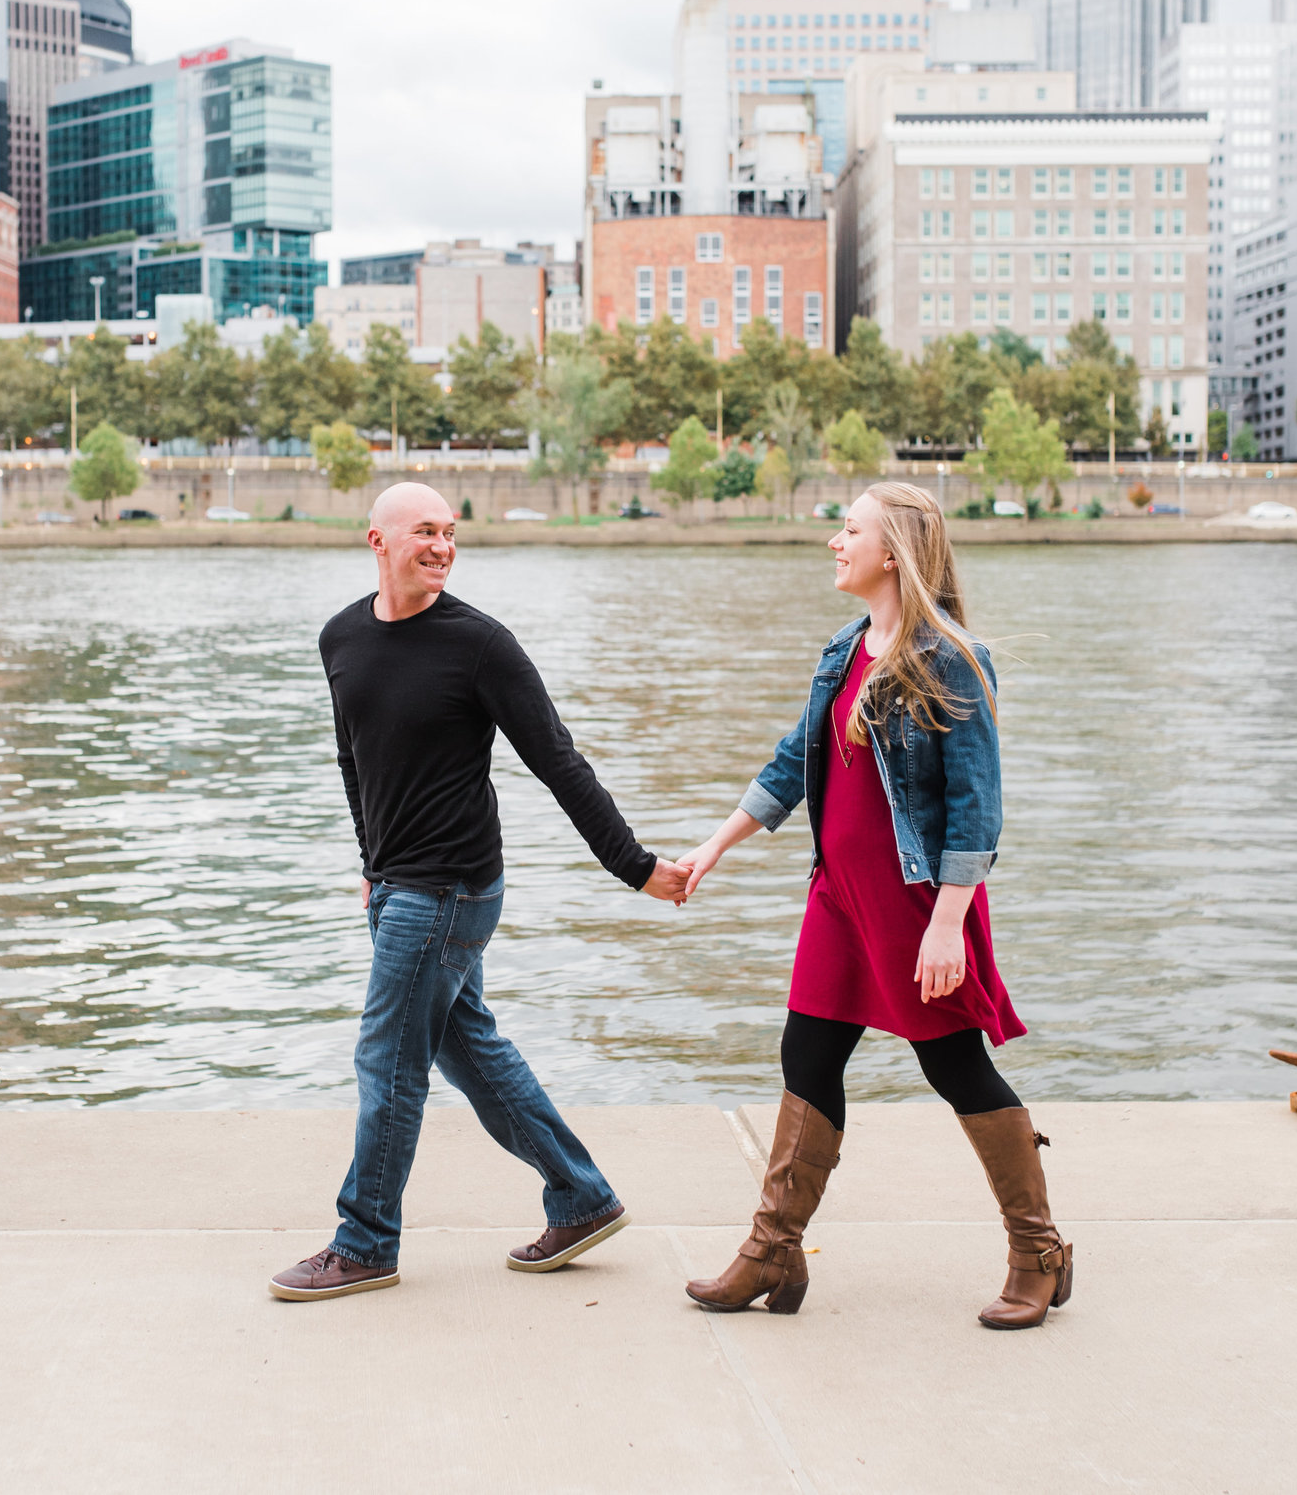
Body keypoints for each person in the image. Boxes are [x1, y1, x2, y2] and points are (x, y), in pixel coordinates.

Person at [269, 482, 692, 1302]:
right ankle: (582, 1195)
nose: (442, 545)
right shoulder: (342, 638)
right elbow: (354, 758)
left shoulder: (480, 646)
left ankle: (364, 1242)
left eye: (451, 532)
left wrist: (634, 866)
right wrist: (369, 862)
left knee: (387, 1061)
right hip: (396, 886)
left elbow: (559, 762)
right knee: (472, 1054)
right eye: (424, 530)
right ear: (378, 541)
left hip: (452, 888)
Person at [674, 482, 1070, 1329]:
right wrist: (715, 844)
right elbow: (794, 763)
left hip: (918, 903)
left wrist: (947, 923)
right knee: (806, 1055)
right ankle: (773, 1249)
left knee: (953, 1065)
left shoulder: (950, 657)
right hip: (839, 897)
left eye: (847, 529)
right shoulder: (843, 648)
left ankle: (1039, 1251)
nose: (833, 542)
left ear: (891, 552)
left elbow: (976, 807)